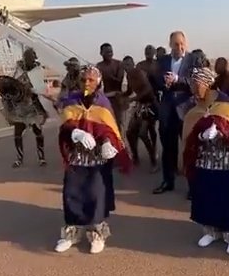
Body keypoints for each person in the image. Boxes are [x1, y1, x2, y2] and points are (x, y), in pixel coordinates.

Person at [182, 67, 229, 255]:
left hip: (226, 161)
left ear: (207, 84)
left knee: (228, 197)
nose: (193, 87)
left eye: (196, 83)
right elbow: (188, 136)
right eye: (191, 83)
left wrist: (222, 132)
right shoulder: (194, 108)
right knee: (206, 195)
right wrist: (201, 134)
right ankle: (211, 231)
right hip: (204, 162)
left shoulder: (224, 105)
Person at [56, 65, 131, 254]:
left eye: (90, 80)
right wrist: (75, 132)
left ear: (98, 82)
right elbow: (65, 125)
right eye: (83, 80)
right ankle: (72, 233)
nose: (86, 83)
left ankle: (97, 233)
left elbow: (109, 128)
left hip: (97, 160)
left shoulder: (103, 103)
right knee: (72, 193)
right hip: (76, 158)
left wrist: (107, 143)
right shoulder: (70, 101)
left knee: (96, 193)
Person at [153, 31, 197, 194]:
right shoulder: (163, 60)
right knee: (168, 149)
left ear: (186, 44)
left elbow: (196, 81)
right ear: (170, 44)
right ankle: (167, 181)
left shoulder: (193, 59)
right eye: (176, 44)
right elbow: (155, 79)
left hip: (186, 109)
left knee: (190, 149)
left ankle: (193, 186)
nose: (179, 47)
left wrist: (178, 79)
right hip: (167, 110)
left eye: (181, 44)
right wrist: (164, 81)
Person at [5, 47, 50, 167]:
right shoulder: (18, 70)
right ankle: (19, 158)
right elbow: (11, 85)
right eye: (28, 57)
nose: (30, 60)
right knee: (18, 133)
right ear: (25, 58)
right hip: (19, 107)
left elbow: (41, 89)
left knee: (38, 132)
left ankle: (41, 157)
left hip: (33, 106)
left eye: (32, 58)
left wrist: (33, 90)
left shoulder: (38, 70)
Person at [125, 64, 159, 170]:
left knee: (143, 133)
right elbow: (129, 91)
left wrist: (132, 99)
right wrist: (122, 96)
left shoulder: (139, 73)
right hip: (140, 106)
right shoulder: (128, 76)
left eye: (128, 64)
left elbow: (148, 90)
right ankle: (135, 158)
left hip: (150, 106)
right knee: (130, 133)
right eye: (125, 65)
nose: (127, 67)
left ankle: (154, 162)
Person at [97, 43, 126, 130]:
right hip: (105, 98)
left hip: (117, 98)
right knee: (106, 124)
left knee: (118, 123)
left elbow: (119, 81)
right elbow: (97, 84)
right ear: (101, 53)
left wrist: (106, 74)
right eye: (107, 52)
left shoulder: (118, 64)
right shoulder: (99, 66)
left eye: (110, 52)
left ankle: (120, 142)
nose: (109, 54)